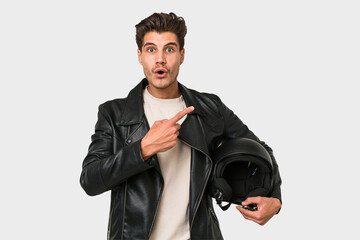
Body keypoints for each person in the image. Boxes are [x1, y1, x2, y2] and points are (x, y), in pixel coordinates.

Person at [80, 12, 282, 240]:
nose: (160, 59)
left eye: (169, 49)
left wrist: (275, 198)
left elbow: (262, 149)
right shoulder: (114, 113)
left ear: (182, 55)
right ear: (139, 56)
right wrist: (143, 149)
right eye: (150, 49)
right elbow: (90, 180)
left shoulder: (209, 108)